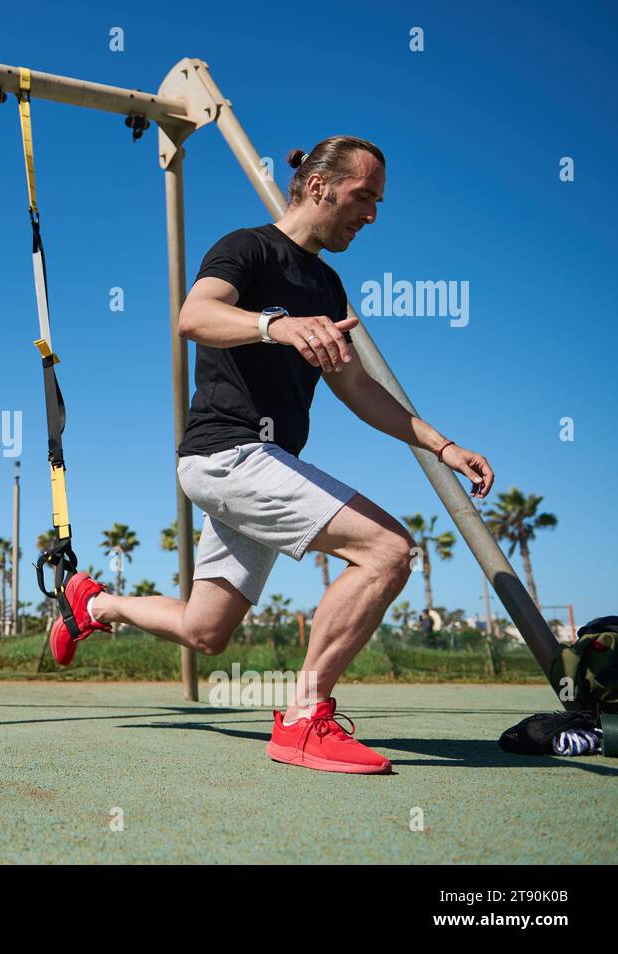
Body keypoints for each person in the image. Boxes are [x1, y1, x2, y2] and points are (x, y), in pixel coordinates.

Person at [49, 135, 495, 774]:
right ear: (319, 188)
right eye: (363, 197)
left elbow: (357, 388)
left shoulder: (327, 284)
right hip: (228, 454)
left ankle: (93, 602)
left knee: (207, 631)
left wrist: (442, 444)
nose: (372, 215)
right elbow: (194, 315)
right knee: (387, 549)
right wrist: (274, 325)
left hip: (261, 467)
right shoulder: (246, 247)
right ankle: (305, 722)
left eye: (378, 202)